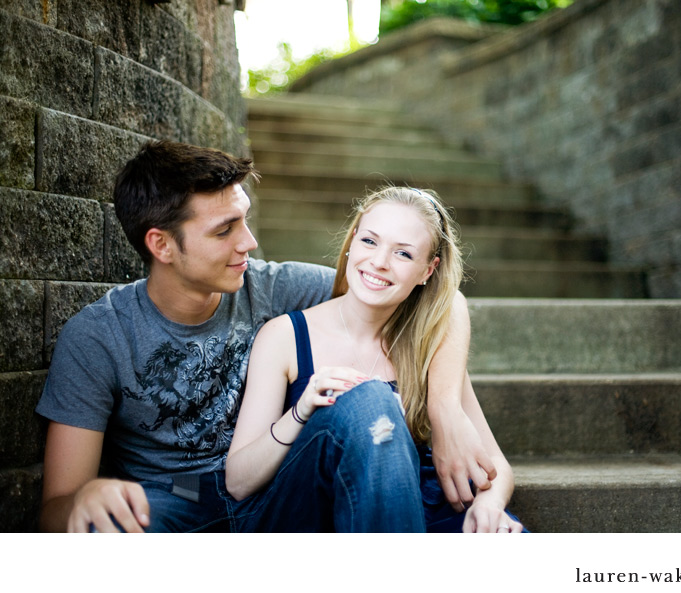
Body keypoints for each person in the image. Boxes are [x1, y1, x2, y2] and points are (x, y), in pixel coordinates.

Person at [35, 140, 493, 532]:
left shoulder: (275, 286)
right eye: (224, 230)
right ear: (162, 245)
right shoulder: (97, 337)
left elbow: (437, 298)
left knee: (370, 404)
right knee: (103, 531)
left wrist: (445, 408)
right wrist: (85, 500)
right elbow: (57, 507)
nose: (249, 242)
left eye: (244, 219)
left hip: (283, 487)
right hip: (176, 499)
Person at [227, 186, 525, 532]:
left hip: (428, 507)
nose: (379, 262)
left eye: (403, 254)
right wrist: (300, 412)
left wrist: (488, 506)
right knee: (371, 400)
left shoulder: (429, 345)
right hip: (316, 509)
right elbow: (238, 482)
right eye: (370, 241)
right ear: (352, 241)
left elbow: (497, 465)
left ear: (428, 271)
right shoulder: (285, 336)